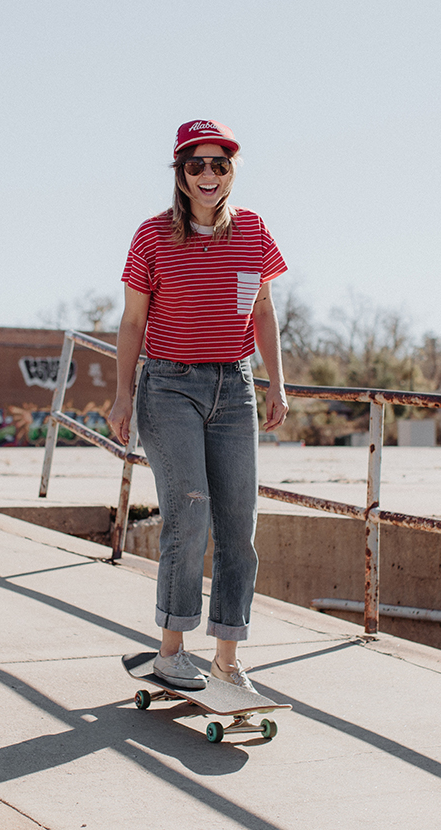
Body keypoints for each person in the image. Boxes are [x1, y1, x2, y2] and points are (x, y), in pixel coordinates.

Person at [108, 119, 289, 692]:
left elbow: (262, 313)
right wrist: (122, 394)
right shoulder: (153, 235)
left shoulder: (255, 232)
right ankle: (171, 651)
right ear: (181, 174)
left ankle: (228, 660)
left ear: (232, 171)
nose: (208, 174)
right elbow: (133, 320)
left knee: (240, 528)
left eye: (220, 164)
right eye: (196, 165)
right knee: (190, 514)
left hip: (235, 390)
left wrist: (277, 385)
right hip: (168, 388)